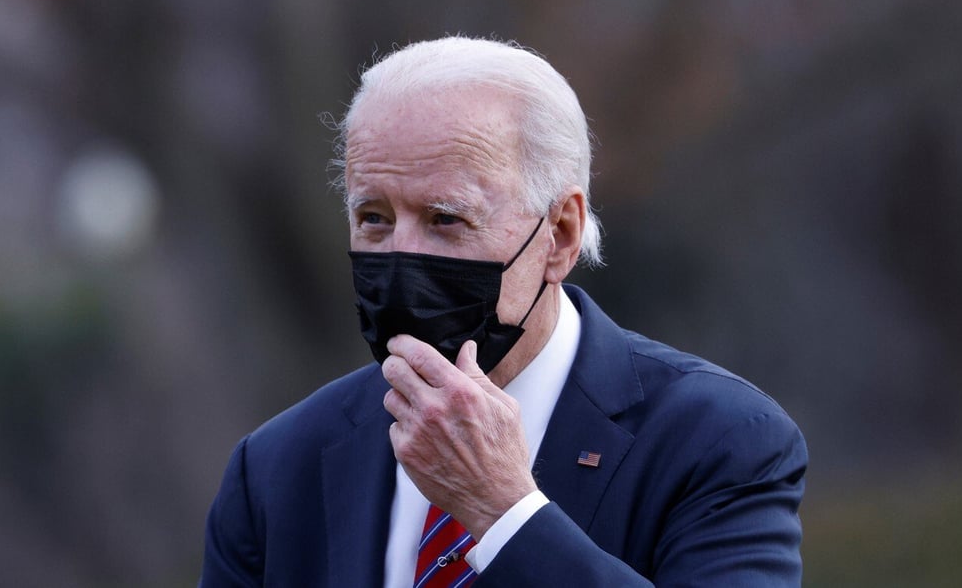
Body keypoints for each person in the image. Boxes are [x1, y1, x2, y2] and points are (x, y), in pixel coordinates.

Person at [200, 36, 807, 587]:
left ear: (560, 235)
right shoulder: (278, 467)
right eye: (374, 219)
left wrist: (503, 511)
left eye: (446, 219)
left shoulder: (719, 441)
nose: (401, 257)